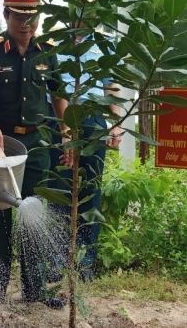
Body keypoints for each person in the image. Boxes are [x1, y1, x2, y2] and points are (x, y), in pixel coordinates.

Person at [0, 0, 70, 309]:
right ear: (6, 14)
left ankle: (35, 287)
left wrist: (66, 133)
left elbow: (58, 94)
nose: (27, 25)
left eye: (33, 18)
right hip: (2, 145)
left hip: (37, 145)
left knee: (34, 213)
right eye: (20, 17)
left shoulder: (46, 51)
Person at [46, 22, 122, 282]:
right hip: (58, 119)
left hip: (92, 120)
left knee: (91, 187)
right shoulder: (52, 39)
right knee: (59, 187)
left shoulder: (103, 41)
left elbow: (110, 85)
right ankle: (56, 260)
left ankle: (86, 260)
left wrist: (115, 123)